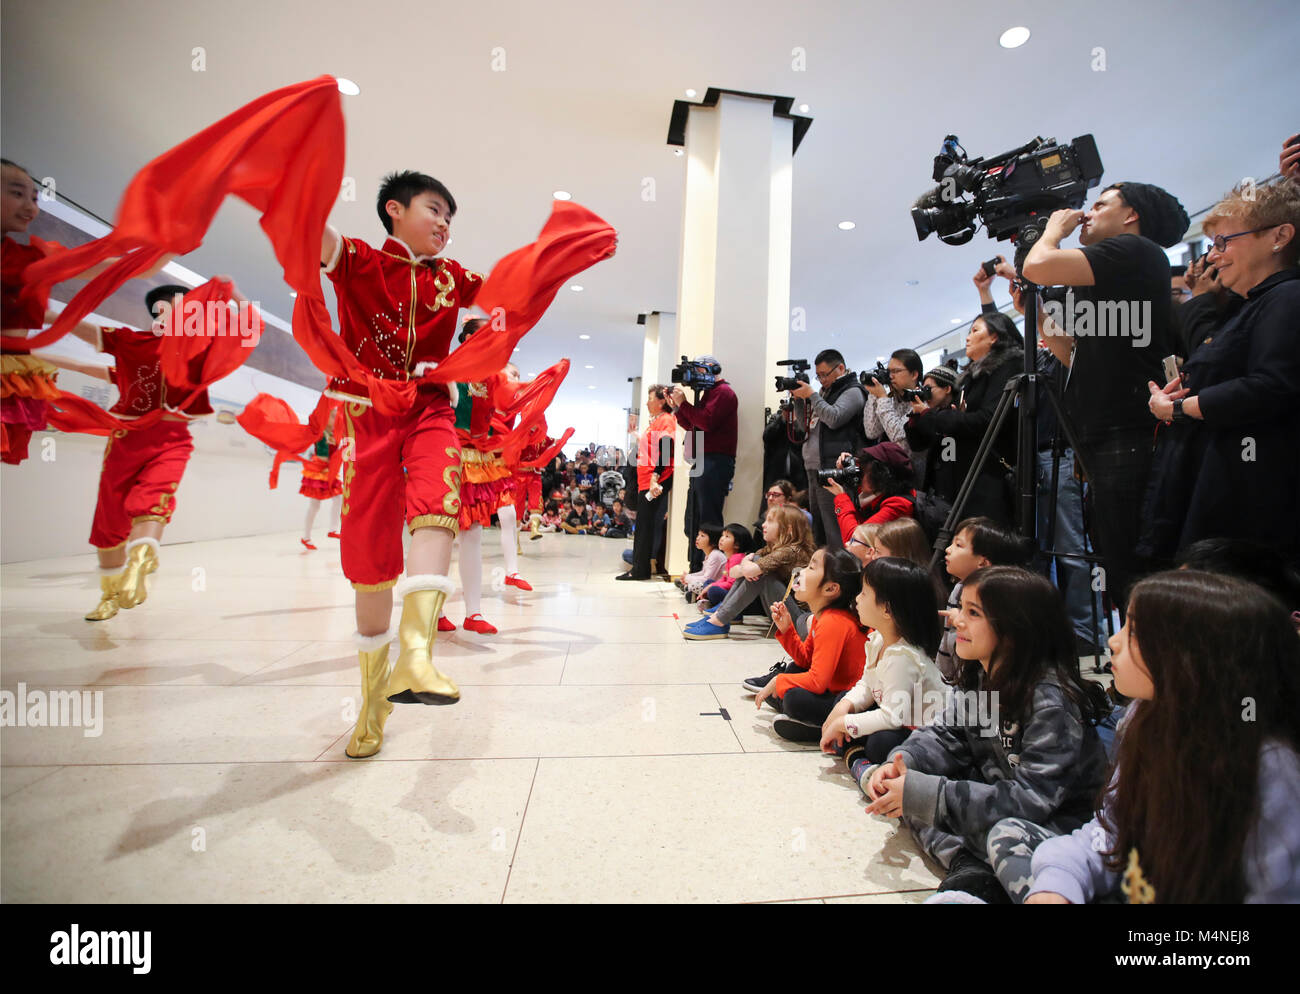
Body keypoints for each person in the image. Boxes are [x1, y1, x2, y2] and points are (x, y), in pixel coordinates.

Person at [319, 170, 488, 759]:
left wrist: (556, 260)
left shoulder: (454, 280)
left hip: (429, 409)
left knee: (440, 501)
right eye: (434, 209)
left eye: (450, 216)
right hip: (367, 416)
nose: (444, 223)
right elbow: (311, 235)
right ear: (395, 209)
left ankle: (416, 655)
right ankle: (372, 701)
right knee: (369, 561)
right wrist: (287, 180)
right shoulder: (360, 261)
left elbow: (508, 290)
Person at [1013, 571, 1300, 904]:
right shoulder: (1142, 719)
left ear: (1191, 656)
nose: (1113, 641)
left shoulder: (1270, 767)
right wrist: (1056, 886)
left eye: (1133, 631)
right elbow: (1109, 834)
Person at [865, 566, 1109, 904]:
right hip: (1004, 800)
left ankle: (988, 874)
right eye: (960, 608)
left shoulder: (1051, 700)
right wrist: (904, 762)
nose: (956, 620)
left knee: (995, 832)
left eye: (973, 613)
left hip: (1056, 825)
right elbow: (946, 736)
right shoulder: (983, 679)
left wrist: (932, 794)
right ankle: (972, 867)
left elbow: (1034, 800)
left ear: (1014, 628)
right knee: (915, 795)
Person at [1022, 180, 1190, 617]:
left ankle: (1156, 670)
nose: (1086, 213)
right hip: (1106, 434)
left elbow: (1038, 265)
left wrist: (1052, 230)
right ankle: (1140, 668)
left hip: (1130, 431)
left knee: (1138, 565)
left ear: (1131, 216)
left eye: (1100, 204)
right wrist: (1039, 315)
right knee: (1121, 561)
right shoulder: (1111, 272)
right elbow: (1074, 352)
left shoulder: (1135, 251)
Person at [1140, 179, 1300, 569]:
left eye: (1224, 243)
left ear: (1279, 237)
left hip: (1251, 500)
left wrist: (1181, 409)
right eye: (1212, 245)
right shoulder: (1252, 306)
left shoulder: (1287, 297)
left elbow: (1272, 386)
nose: (1212, 257)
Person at [71, 283, 255, 621]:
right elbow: (88, 333)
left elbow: (247, 326)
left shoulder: (201, 351)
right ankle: (109, 594)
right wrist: (38, 325)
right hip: (127, 436)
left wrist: (231, 291)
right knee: (110, 515)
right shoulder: (132, 342)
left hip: (172, 437)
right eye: (168, 309)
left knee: (153, 499)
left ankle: (140, 561)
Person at [821, 557, 945, 786]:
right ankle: (855, 754)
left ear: (887, 609)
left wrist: (843, 723)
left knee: (881, 742)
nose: (856, 599)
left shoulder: (903, 657)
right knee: (843, 701)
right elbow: (867, 685)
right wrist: (844, 708)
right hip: (899, 720)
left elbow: (891, 717)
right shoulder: (879, 639)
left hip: (924, 733)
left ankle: (858, 759)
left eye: (864, 593)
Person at [904, 311, 1023, 526]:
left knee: (986, 540)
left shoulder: (1008, 366)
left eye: (975, 331)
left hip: (989, 473)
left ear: (994, 337)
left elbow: (988, 420)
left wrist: (935, 416)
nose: (968, 337)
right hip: (961, 478)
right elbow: (920, 442)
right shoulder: (972, 378)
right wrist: (921, 416)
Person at [747, 548, 868, 742]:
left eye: (811, 567)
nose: (800, 572)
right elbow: (805, 660)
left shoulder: (833, 622)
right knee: (794, 670)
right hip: (831, 686)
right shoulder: (823, 617)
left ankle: (822, 726)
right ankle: (794, 708)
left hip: (847, 698)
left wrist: (780, 682)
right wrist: (787, 629)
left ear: (830, 588)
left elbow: (817, 682)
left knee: (793, 698)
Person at [683, 505, 814, 640]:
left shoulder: (791, 550)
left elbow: (749, 570)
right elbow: (732, 573)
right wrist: (746, 567)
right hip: (783, 613)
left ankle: (719, 619)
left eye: (770, 521)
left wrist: (746, 563)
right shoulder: (771, 549)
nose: (763, 525)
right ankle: (719, 616)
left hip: (800, 620)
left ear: (788, 529)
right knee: (755, 566)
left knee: (761, 572)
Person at [935, 517, 1033, 683]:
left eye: (958, 545)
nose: (948, 550)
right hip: (958, 684)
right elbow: (945, 649)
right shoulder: (959, 589)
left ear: (983, 562)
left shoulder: (1000, 597)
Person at [789, 349, 867, 547]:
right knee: (819, 527)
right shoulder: (826, 392)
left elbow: (834, 418)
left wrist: (813, 395)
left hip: (834, 467)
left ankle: (840, 571)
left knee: (834, 528)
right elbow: (804, 425)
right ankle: (823, 568)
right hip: (814, 465)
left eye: (825, 374)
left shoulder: (853, 391)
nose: (821, 379)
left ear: (840, 368)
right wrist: (799, 399)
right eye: (819, 375)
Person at [668, 356, 738, 572]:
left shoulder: (724, 393)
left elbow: (706, 422)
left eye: (697, 370)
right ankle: (697, 565)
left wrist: (684, 404)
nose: (694, 375)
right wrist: (678, 409)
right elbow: (694, 424)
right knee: (694, 517)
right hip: (702, 459)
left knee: (708, 517)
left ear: (712, 370)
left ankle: (711, 570)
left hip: (715, 460)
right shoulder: (709, 393)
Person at [618, 384, 676, 580]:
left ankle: (640, 570)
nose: (647, 402)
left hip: (655, 480)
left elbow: (667, 448)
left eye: (651, 399)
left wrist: (655, 477)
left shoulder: (666, 420)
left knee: (645, 524)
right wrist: (635, 435)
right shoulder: (657, 421)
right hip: (646, 480)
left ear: (661, 401)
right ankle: (639, 567)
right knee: (643, 524)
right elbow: (651, 446)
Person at [827, 442, 917, 543]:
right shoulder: (881, 492)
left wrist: (841, 498)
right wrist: (850, 464)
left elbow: (854, 541)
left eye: (863, 471)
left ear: (880, 476)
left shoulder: (899, 504)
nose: (860, 475)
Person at [862, 348, 923, 455]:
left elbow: (900, 441)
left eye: (896, 371)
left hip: (913, 469)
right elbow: (871, 432)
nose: (890, 376)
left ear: (914, 374)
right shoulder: (891, 399)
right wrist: (874, 395)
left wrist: (882, 397)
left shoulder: (922, 402)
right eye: (889, 372)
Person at [697, 523, 754, 611]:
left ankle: (715, 604)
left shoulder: (737, 558)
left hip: (735, 595)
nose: (722, 539)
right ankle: (709, 602)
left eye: (727, 536)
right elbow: (724, 579)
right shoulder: (730, 558)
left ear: (737, 545)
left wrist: (711, 586)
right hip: (728, 590)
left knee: (713, 590)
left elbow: (731, 584)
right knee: (709, 582)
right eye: (722, 535)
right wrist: (711, 585)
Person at [681, 524, 726, 598]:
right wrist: (689, 576)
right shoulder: (710, 555)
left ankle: (692, 593)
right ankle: (690, 591)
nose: (697, 538)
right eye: (698, 535)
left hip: (715, 586)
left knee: (694, 584)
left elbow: (707, 579)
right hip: (710, 583)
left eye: (702, 536)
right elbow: (703, 572)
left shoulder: (715, 555)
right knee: (692, 582)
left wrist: (687, 578)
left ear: (713, 541)